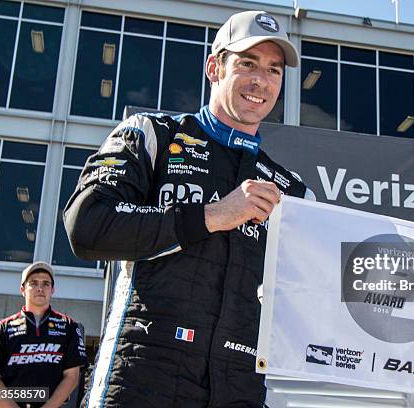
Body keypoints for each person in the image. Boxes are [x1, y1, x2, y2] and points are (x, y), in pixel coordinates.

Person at [63, 10, 313, 408]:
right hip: (142, 376)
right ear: (215, 68)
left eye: (274, 70)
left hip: (239, 388)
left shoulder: (292, 192)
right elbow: (87, 224)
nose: (260, 81)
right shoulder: (151, 135)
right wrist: (212, 216)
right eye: (247, 63)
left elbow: (317, 298)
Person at [0, 261, 88, 408]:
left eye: (46, 284)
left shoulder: (69, 326)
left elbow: (72, 377)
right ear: (22, 289)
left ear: (52, 290)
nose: (40, 288)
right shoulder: (2, 328)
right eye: (33, 283)